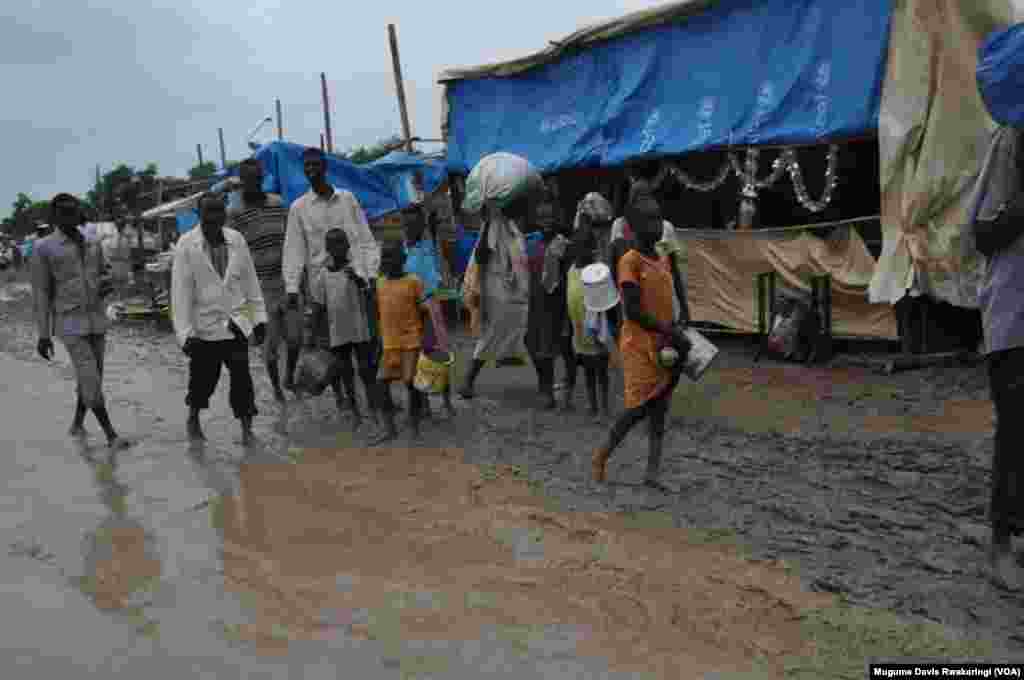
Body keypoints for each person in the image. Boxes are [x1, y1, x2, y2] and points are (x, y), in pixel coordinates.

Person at [591, 186, 692, 493]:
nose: (657, 225)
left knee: (660, 406)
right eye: (649, 220)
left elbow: (669, 295)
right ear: (632, 226)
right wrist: (668, 330)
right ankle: (601, 456)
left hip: (664, 341)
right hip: (639, 344)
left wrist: (679, 323)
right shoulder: (630, 261)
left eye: (659, 219)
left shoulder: (662, 257)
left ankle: (652, 473)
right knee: (638, 408)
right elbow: (632, 311)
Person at [32, 193, 131, 449]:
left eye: (73, 211)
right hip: (70, 321)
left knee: (92, 376)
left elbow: (104, 273)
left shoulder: (92, 241)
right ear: (54, 216)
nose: (70, 216)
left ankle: (77, 423)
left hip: (96, 318)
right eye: (64, 212)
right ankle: (111, 435)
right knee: (89, 376)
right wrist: (44, 334)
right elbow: (42, 293)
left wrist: (108, 284)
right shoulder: (44, 248)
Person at [971, 126, 1024, 589]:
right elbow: (982, 233)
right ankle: (1002, 543)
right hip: (1015, 315)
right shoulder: (1010, 141)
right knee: (1016, 432)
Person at [171, 193, 267, 445]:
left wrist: (259, 319)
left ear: (224, 212)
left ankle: (247, 430)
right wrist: (185, 334)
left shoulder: (236, 240)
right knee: (203, 382)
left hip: (237, 324)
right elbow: (180, 294)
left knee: (242, 381)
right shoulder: (186, 244)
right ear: (198, 214)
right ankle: (193, 418)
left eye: (218, 211)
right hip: (204, 329)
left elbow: (250, 283)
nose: (214, 217)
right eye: (208, 212)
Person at [283, 147, 380, 391]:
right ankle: (344, 402)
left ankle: (373, 399)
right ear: (303, 170)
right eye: (307, 166)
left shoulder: (347, 199)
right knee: (332, 350)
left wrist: (371, 275)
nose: (312, 170)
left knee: (366, 346)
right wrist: (292, 287)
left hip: (356, 284)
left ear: (325, 166)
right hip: (323, 291)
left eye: (316, 164)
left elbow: (366, 239)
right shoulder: (299, 208)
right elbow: (293, 250)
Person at [457, 189, 536, 398]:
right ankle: (468, 380)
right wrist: (486, 228)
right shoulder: (494, 224)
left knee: (523, 328)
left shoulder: (511, 226)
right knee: (492, 333)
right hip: (497, 290)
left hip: (513, 291)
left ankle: (543, 381)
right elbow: (482, 256)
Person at [226, 157, 291, 402]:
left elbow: (290, 239)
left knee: (296, 338)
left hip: (287, 280)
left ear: (262, 178)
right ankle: (277, 389)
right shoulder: (234, 212)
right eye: (248, 179)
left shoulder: (279, 204)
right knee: (270, 344)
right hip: (260, 287)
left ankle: (289, 378)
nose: (253, 182)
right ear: (242, 181)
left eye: (257, 178)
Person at [309, 228, 380, 429]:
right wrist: (313, 335)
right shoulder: (322, 275)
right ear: (328, 248)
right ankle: (356, 411)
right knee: (345, 372)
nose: (339, 247)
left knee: (366, 370)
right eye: (334, 244)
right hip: (337, 332)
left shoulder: (357, 268)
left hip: (359, 329)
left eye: (342, 242)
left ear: (348, 245)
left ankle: (373, 410)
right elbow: (319, 307)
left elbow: (369, 296)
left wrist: (357, 279)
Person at [402, 207, 456, 419]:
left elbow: (433, 231)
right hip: (410, 309)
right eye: (407, 224)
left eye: (414, 224)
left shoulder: (428, 246)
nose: (410, 228)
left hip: (431, 306)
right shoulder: (401, 251)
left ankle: (446, 400)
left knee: (438, 354)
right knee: (417, 358)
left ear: (421, 226)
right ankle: (424, 404)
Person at [375, 241, 428, 443]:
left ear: (403, 260)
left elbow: (424, 311)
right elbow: (380, 314)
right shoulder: (380, 283)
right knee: (381, 383)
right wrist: (379, 340)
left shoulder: (413, 281)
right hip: (389, 343)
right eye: (384, 257)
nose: (387, 261)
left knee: (409, 382)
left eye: (392, 256)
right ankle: (390, 429)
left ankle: (414, 427)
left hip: (410, 341)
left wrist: (424, 338)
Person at [524, 196, 573, 410]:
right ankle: (545, 383)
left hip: (554, 304)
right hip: (531, 302)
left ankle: (548, 390)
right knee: (530, 343)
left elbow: (569, 277)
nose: (546, 221)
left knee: (547, 347)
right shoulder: (530, 242)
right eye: (542, 217)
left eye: (550, 217)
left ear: (557, 218)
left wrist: (567, 313)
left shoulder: (563, 243)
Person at [566, 229, 613, 421]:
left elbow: (608, 301)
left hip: (597, 329)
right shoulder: (571, 271)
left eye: (586, 248)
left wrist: (605, 328)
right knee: (588, 370)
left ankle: (603, 408)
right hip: (578, 329)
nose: (582, 252)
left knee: (601, 370)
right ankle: (593, 406)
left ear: (593, 250)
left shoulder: (598, 271)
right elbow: (568, 297)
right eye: (578, 247)